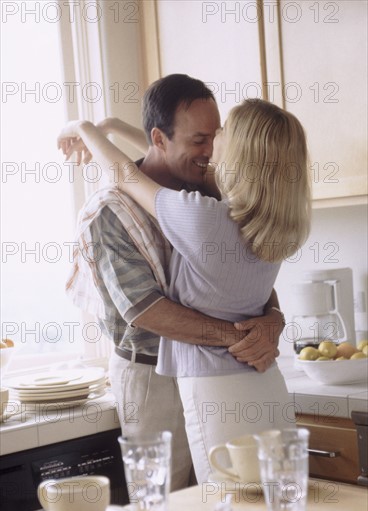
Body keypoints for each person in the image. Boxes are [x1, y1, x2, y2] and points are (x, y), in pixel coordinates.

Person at [59, 77, 289, 487]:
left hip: (221, 368)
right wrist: (241, 337)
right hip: (151, 379)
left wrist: (272, 319)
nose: (212, 151)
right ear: (159, 139)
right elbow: (145, 310)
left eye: (216, 137)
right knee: (167, 505)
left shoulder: (215, 193)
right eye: (200, 139)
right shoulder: (109, 211)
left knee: (232, 502)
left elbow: (244, 276)